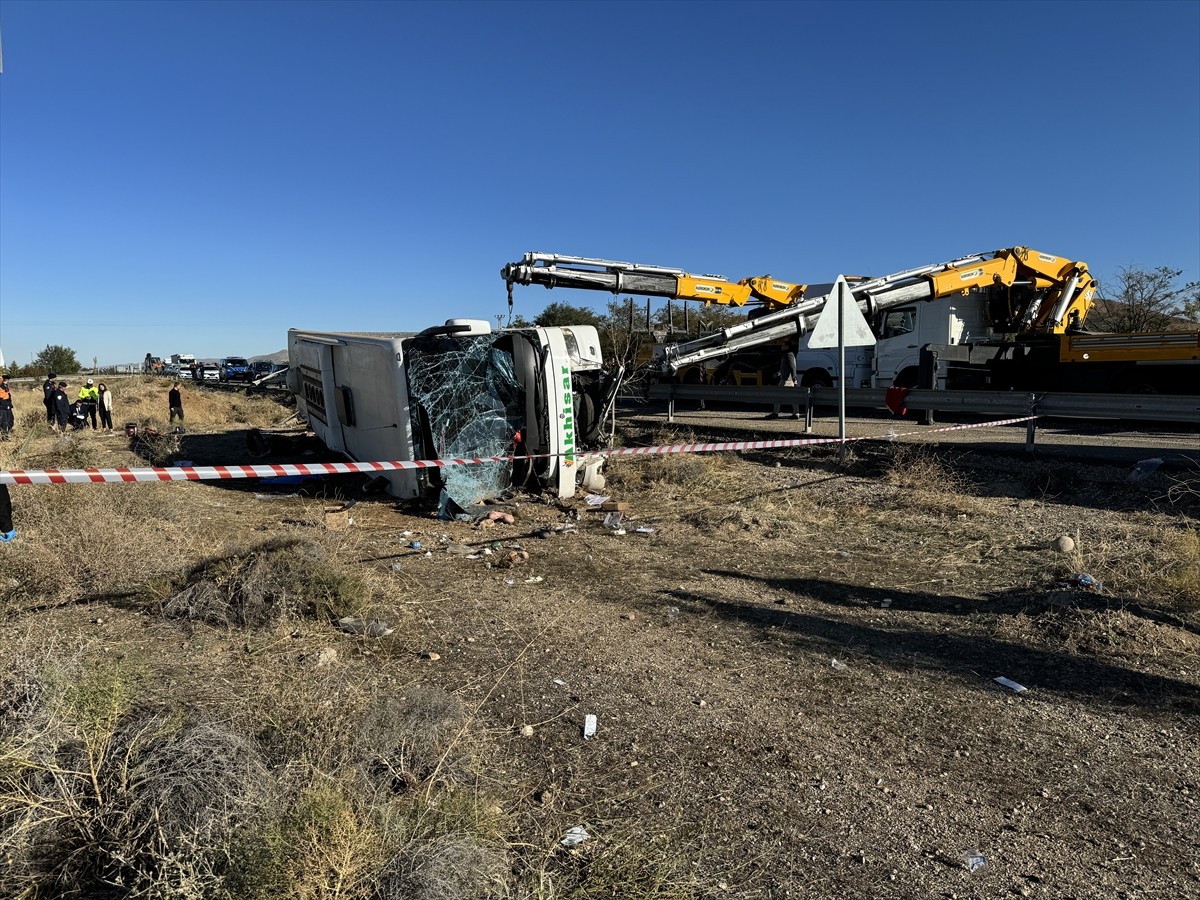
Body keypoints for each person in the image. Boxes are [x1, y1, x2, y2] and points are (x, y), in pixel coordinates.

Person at [767, 349, 800, 420]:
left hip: (786, 380)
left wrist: (794, 378)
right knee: (793, 397)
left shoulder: (788, 354)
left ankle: (775, 413)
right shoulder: (789, 354)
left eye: (783, 345)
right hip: (788, 379)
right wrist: (779, 373)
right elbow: (788, 367)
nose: (782, 347)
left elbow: (792, 367)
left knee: (777, 395)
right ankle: (796, 413)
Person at [0, 373, 13, 439]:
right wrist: (6, 395)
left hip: (7, 405)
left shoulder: (5, 387)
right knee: (4, 422)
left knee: (9, 420)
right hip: (3, 406)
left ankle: (6, 435)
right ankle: (4, 436)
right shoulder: (1, 387)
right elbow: (2, 396)